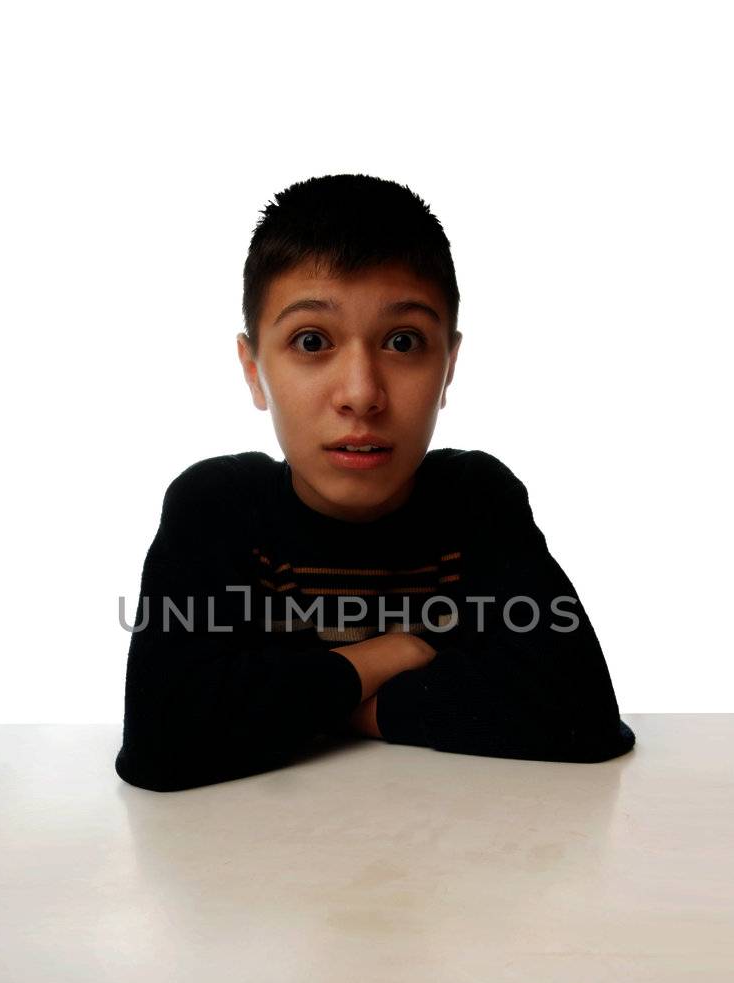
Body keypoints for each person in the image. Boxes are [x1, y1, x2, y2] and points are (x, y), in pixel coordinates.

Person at [114, 173, 635, 792]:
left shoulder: (477, 499)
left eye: (403, 341)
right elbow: (163, 742)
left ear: (448, 368)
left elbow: (582, 718)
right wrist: (385, 656)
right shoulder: (217, 507)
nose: (361, 393)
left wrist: (311, 704)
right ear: (255, 371)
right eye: (311, 341)